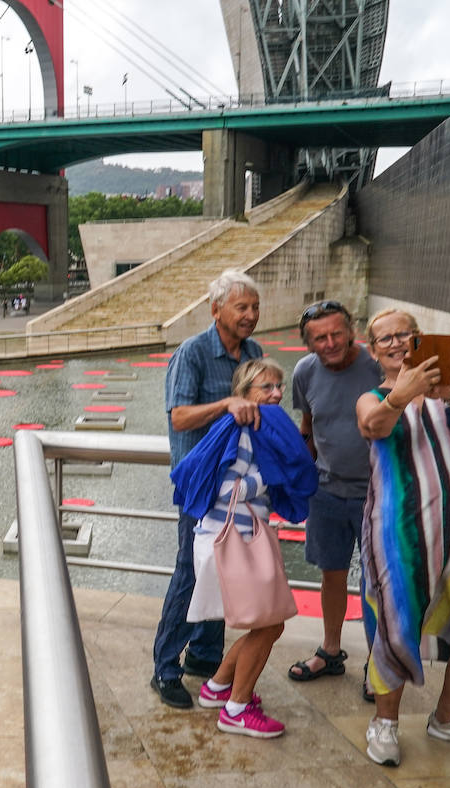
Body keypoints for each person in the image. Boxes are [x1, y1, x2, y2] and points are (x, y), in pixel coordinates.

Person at [356, 308, 450, 767]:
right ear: (373, 350)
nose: (397, 343)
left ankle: (447, 718)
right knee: (396, 620)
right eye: (386, 338)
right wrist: (399, 397)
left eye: (405, 334)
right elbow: (373, 426)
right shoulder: (371, 395)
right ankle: (384, 722)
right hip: (399, 525)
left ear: (421, 339)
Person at [173, 358, 317, 736]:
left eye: (278, 387)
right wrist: (270, 480)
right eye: (266, 388)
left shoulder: (243, 427)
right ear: (244, 394)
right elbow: (222, 488)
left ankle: (218, 687)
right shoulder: (246, 430)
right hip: (235, 538)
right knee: (269, 625)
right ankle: (235, 710)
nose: (277, 394)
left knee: (266, 624)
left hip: (230, 536)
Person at [150, 268, 265, 708]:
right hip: (201, 486)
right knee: (191, 571)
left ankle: (205, 656)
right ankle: (165, 667)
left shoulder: (251, 352)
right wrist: (227, 404)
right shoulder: (192, 353)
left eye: (255, 308)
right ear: (216, 310)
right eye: (242, 307)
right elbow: (178, 417)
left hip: (238, 486)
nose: (250, 315)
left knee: (224, 571)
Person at [285, 301, 382, 688]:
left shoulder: (377, 366)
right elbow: (308, 424)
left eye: (336, 333)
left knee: (378, 582)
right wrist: (298, 478)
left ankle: (380, 664)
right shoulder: (304, 372)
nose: (329, 343)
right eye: (319, 338)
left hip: (377, 494)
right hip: (325, 491)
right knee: (332, 575)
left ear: (352, 330)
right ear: (308, 343)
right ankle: (330, 650)